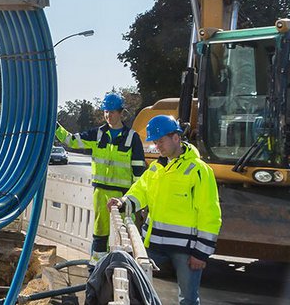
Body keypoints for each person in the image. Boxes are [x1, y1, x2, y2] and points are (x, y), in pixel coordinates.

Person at [109, 115, 220, 305]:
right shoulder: (156, 168)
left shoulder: (199, 170)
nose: (157, 146)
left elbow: (209, 213)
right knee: (142, 292)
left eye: (160, 141)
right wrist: (123, 202)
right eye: (155, 142)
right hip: (154, 245)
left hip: (186, 250)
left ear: (175, 137)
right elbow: (140, 192)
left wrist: (201, 253)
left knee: (188, 299)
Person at [55, 92, 146, 255]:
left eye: (112, 112)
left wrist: (136, 200)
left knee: (125, 236)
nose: (108, 116)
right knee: (100, 234)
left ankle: (124, 265)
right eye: (106, 112)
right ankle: (96, 264)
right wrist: (54, 126)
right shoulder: (97, 134)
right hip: (100, 193)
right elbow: (71, 141)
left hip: (123, 196)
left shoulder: (132, 138)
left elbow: (139, 173)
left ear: (121, 113)